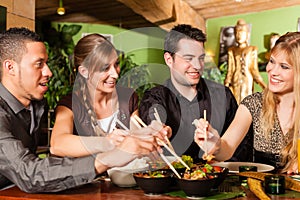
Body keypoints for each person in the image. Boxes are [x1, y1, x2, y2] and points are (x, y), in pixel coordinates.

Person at [0, 27, 160, 193]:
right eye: (39, 64)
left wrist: (151, 133)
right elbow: (31, 173)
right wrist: (107, 156)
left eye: (46, 63)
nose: (49, 72)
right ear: (10, 67)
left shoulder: (36, 105)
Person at [139, 24, 250, 163]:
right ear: (169, 60)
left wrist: (219, 156)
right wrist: (158, 129)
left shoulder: (223, 95)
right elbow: (153, 122)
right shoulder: (155, 97)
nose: (197, 66)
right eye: (188, 58)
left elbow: (243, 147)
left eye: (201, 58)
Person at [194, 32, 300, 173]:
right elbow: (227, 148)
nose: (272, 71)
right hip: (260, 191)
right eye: (272, 62)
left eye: (284, 67)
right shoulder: (254, 103)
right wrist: (216, 144)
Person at [50, 33, 167, 157]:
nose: (115, 74)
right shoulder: (70, 104)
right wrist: (107, 142)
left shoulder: (128, 97)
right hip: (87, 176)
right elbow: (57, 145)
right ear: (84, 72)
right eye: (105, 68)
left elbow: (135, 137)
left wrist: (153, 132)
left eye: (116, 64)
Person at [225, 19, 266, 104]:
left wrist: (263, 85)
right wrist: (226, 83)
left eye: (241, 32)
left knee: (247, 103)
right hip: (235, 79)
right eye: (236, 33)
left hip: (247, 79)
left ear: (247, 34)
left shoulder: (252, 49)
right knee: (235, 103)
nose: (238, 35)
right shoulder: (231, 51)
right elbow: (230, 69)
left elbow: (253, 69)